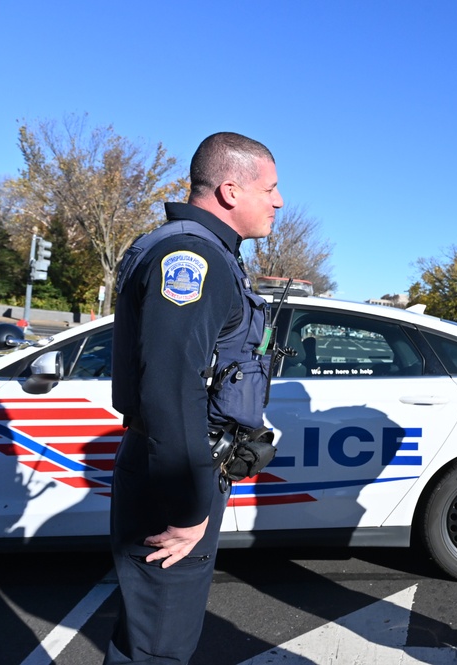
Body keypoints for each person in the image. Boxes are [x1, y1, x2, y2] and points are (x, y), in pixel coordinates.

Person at [106, 132, 282, 664]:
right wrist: (187, 507)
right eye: (271, 188)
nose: (278, 201)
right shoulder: (191, 257)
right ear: (231, 190)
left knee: (153, 631)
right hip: (174, 477)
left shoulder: (209, 253)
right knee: (158, 645)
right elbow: (169, 386)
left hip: (180, 465)